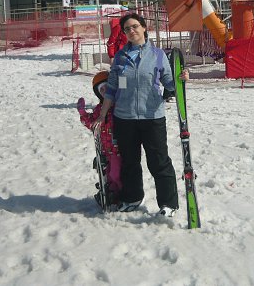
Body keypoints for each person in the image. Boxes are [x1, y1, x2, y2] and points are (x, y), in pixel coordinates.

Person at [93, 13, 188, 217]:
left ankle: (168, 203)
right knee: (129, 162)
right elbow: (112, 89)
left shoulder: (158, 55)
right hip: (124, 118)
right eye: (127, 29)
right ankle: (132, 198)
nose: (131, 31)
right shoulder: (120, 57)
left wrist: (181, 79)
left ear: (144, 28)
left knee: (159, 161)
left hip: (152, 117)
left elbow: (169, 83)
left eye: (135, 26)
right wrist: (102, 114)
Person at [77, 71, 122, 207]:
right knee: (109, 174)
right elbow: (92, 124)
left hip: (118, 149)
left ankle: (123, 194)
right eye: (101, 89)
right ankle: (112, 194)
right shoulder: (99, 109)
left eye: (107, 87)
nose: (105, 91)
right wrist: (83, 113)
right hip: (106, 150)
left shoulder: (120, 106)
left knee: (116, 173)